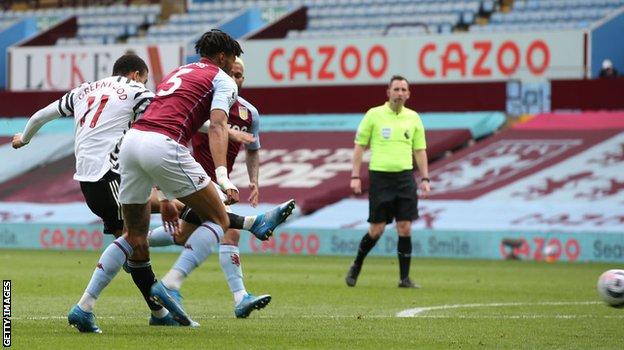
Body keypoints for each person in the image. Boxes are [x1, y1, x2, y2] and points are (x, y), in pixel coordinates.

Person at [65, 29, 244, 331]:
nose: (234, 67)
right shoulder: (222, 79)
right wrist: (224, 177)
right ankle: (171, 285)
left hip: (131, 144)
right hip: (163, 145)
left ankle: (84, 307)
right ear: (223, 57)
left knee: (133, 236)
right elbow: (216, 125)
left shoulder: (178, 71)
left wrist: (162, 196)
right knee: (217, 218)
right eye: (233, 60)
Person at [11, 54, 184, 328]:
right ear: (137, 74)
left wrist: (24, 138)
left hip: (89, 181)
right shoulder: (136, 90)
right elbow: (164, 124)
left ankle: (159, 314)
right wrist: (214, 126)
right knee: (138, 238)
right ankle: (84, 307)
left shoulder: (83, 90)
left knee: (137, 248)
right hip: (109, 175)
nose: (145, 82)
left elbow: (42, 115)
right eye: (146, 78)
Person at [148, 57, 295, 318]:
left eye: (240, 75)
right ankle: (240, 296)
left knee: (183, 236)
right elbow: (201, 127)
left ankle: (137, 242)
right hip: (190, 175)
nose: (236, 79)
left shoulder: (250, 113)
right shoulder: (205, 105)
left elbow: (253, 149)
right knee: (227, 229)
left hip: (218, 180)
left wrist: (254, 181)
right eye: (232, 74)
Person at [345, 75, 430, 288]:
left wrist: (425, 177)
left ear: (408, 94)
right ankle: (357, 264)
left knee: (405, 227)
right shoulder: (374, 115)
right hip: (380, 178)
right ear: (388, 92)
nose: (400, 93)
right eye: (396, 89)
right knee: (377, 229)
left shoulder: (413, 118)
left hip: (405, 178)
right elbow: (359, 147)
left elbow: (420, 150)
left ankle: (404, 278)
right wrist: (355, 176)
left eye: (404, 89)